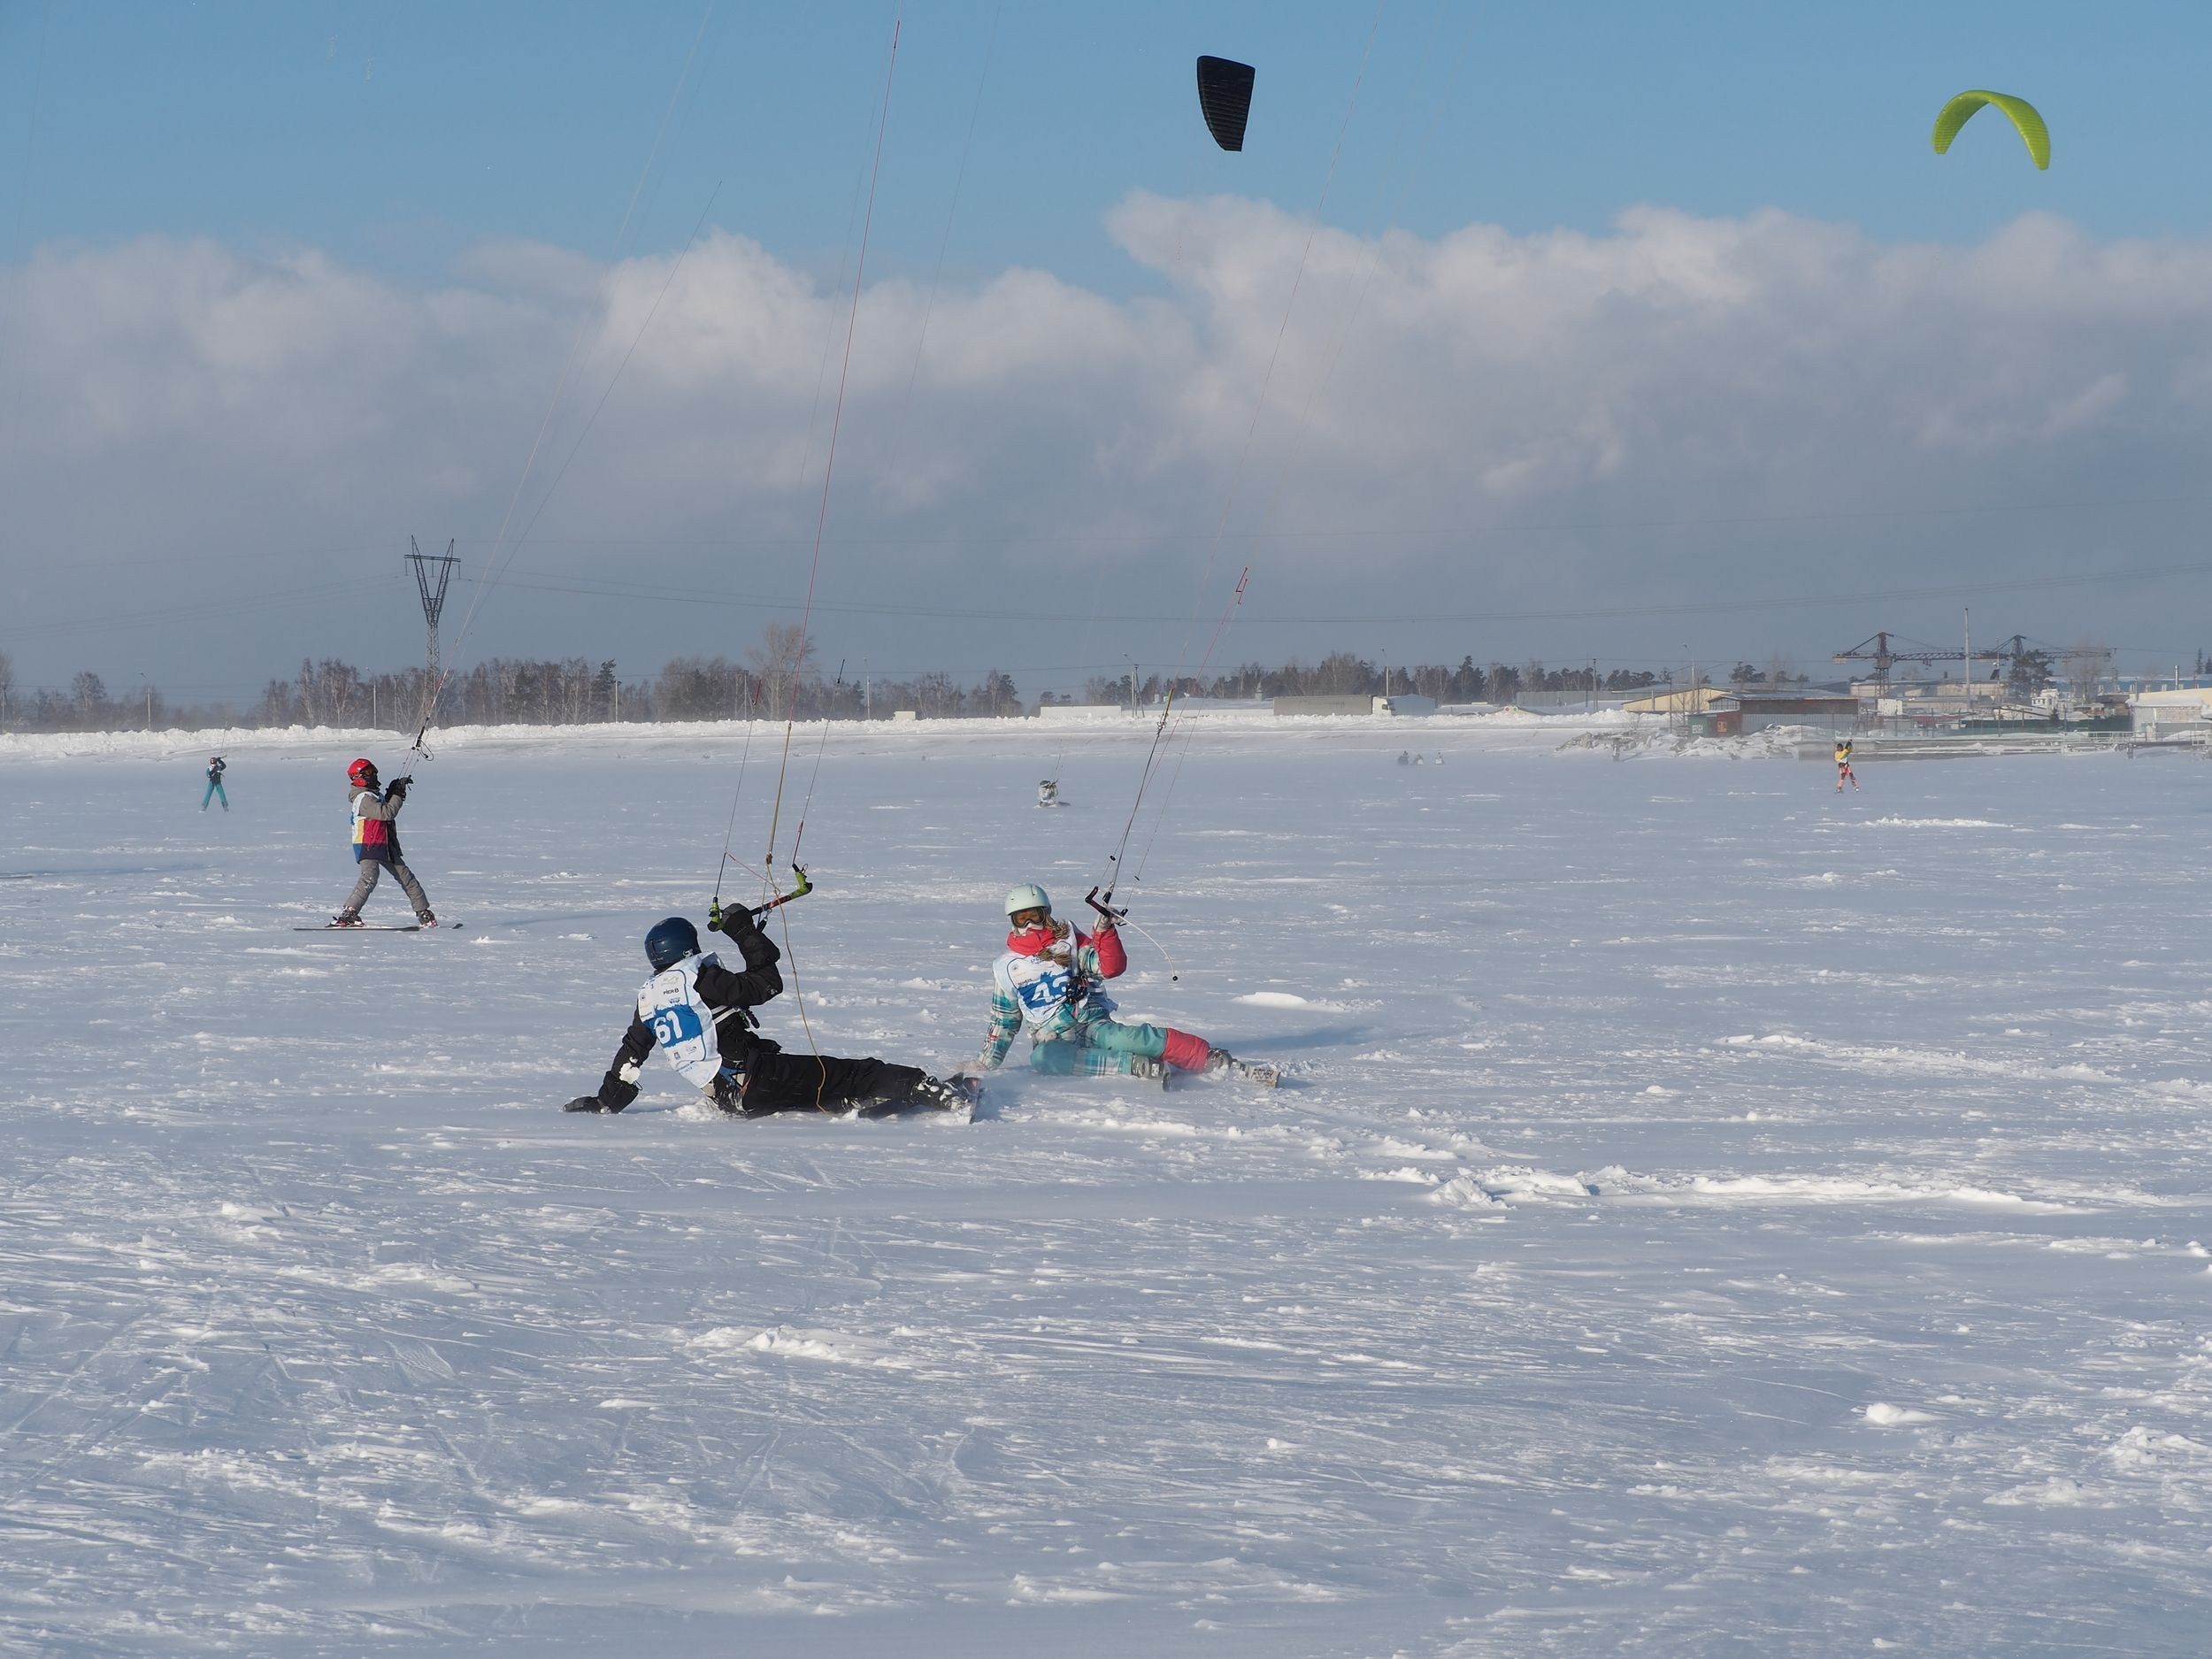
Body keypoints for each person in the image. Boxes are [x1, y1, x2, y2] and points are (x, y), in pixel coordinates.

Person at [564, 906, 976, 1116]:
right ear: (689, 949)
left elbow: (630, 1057)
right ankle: (934, 1091)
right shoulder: (700, 980)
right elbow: (767, 984)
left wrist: (606, 1102)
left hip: (729, 1098)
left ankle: (862, 1103)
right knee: (857, 1070)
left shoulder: (649, 999)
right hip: (755, 1079)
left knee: (821, 1083)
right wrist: (743, 932)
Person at [973, 883, 1274, 1086]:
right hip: (1054, 1038)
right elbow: (1004, 1021)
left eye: (1035, 917)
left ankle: (1207, 1058)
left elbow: (1108, 967)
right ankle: (1133, 1066)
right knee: (1044, 1059)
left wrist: (1104, 932)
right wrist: (986, 1063)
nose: (1029, 926)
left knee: (1134, 1039)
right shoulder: (1006, 967)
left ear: (1046, 914)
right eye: (1021, 919)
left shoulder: (1069, 941)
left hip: (1090, 1022)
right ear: (1012, 921)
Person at [333, 757, 437, 926]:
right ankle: (349, 913)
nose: (373, 774)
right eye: (368, 772)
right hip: (368, 844)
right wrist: (397, 795)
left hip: (385, 844)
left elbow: (385, 807)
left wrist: (394, 790)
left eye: (373, 770)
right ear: (358, 777)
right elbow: (386, 813)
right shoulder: (363, 798)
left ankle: (424, 913)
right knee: (369, 878)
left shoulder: (373, 795)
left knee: (406, 878)